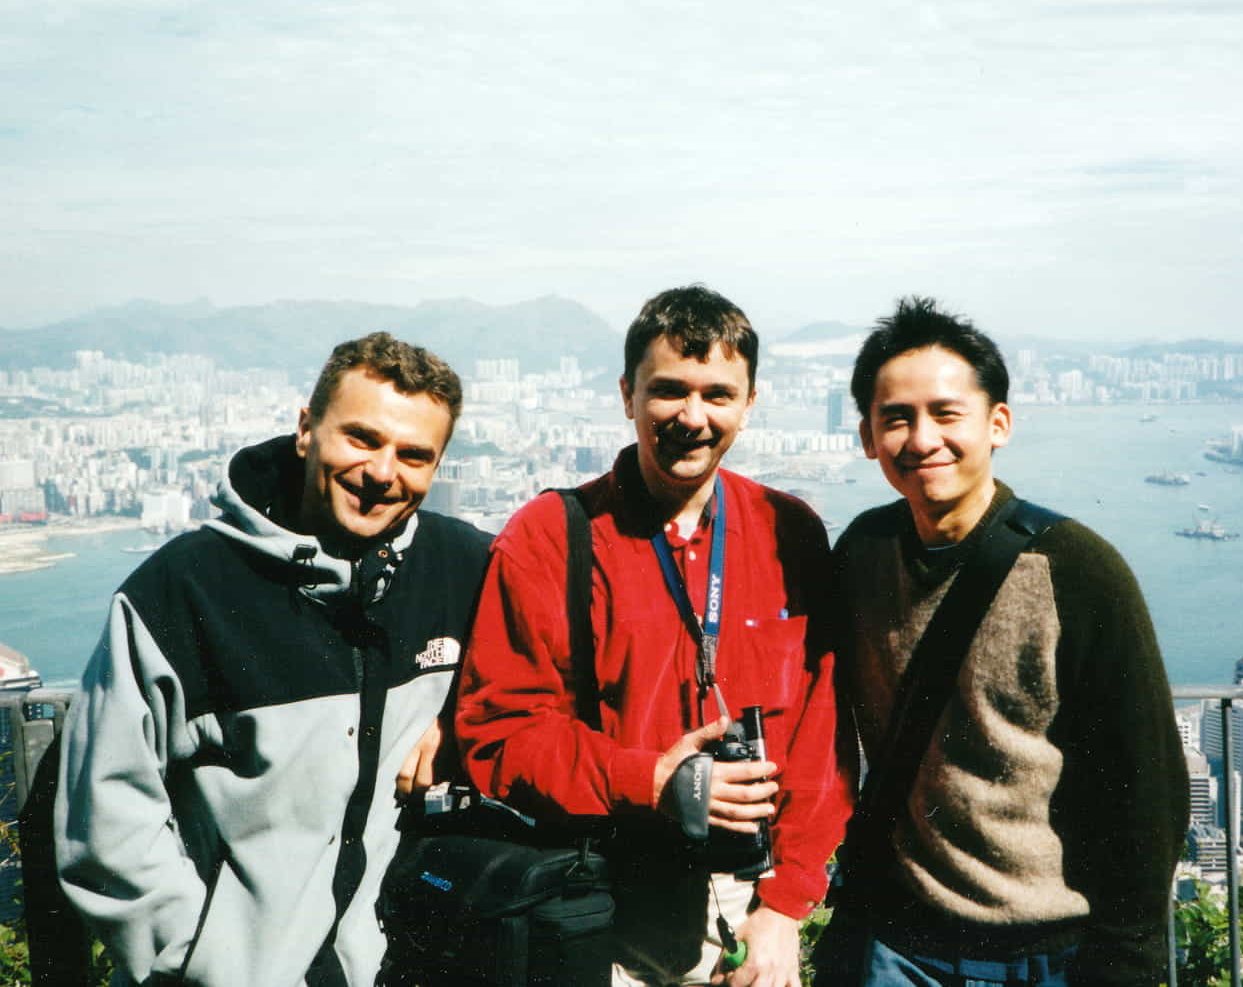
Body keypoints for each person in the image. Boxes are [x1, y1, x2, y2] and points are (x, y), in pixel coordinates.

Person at [55, 332, 491, 987]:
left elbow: (550, 683)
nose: (382, 472)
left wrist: (467, 720)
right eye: (362, 438)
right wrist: (202, 959)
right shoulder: (184, 590)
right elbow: (106, 817)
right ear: (306, 428)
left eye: (414, 454)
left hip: (402, 964)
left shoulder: (463, 568)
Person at [456, 286, 852, 987]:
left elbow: (819, 737)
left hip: (749, 900)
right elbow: (500, 731)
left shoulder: (788, 531)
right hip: (599, 896)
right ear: (627, 394)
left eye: (718, 395)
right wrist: (651, 779)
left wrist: (786, 906)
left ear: (751, 402)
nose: (693, 418)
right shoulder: (549, 537)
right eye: (669, 390)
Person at [821, 298, 1188, 987]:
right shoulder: (863, 553)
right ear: (868, 437)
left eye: (945, 412)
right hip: (899, 941)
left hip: (1046, 951)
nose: (921, 437)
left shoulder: (1077, 570)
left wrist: (1124, 967)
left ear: (999, 424)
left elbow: (1150, 792)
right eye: (895, 417)